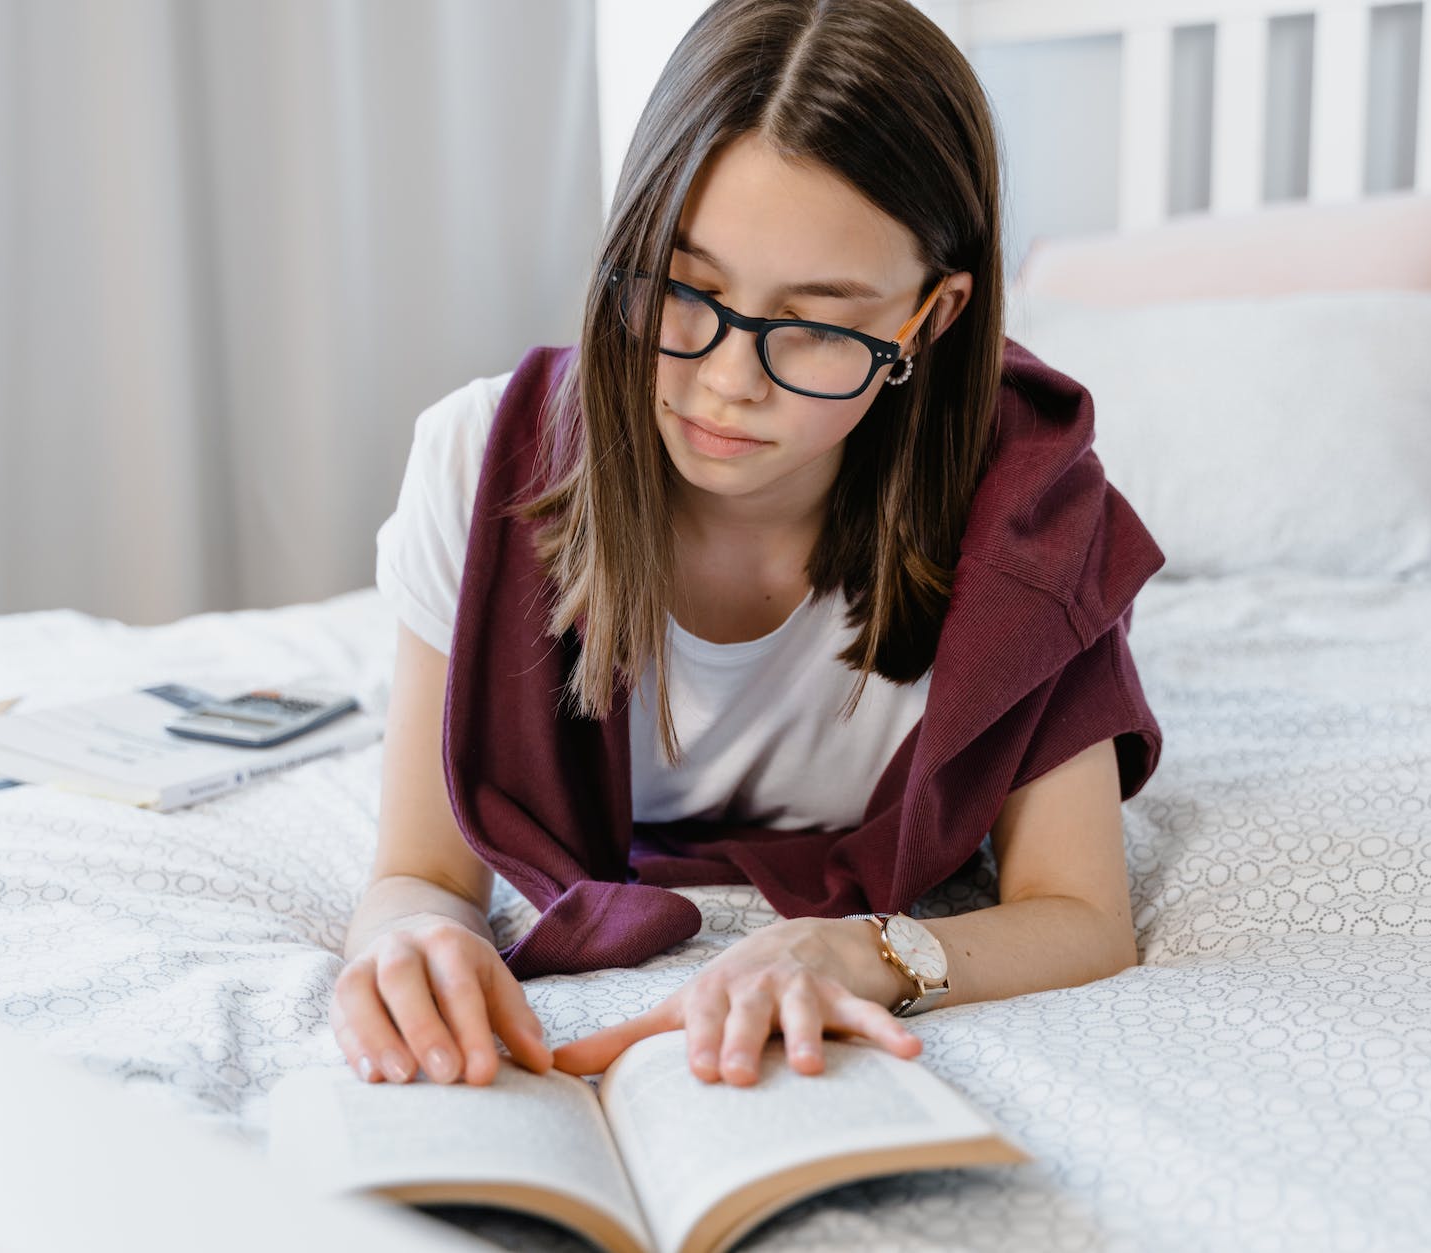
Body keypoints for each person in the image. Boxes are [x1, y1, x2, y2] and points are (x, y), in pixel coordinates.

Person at [330, 0, 1164, 1092]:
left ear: (929, 315)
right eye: (685, 288)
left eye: (815, 321)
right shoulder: (475, 461)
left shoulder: (1028, 512)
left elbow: (1079, 914)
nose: (728, 380)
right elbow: (422, 871)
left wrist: (845, 948)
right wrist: (405, 939)